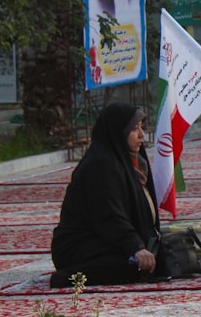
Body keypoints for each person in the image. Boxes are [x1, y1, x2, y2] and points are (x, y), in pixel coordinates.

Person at [50, 102, 160, 287]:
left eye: (142, 128)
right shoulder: (100, 166)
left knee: (160, 260)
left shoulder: (129, 163)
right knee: (130, 267)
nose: (142, 135)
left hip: (107, 239)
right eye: (135, 129)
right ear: (118, 132)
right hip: (81, 245)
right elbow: (109, 216)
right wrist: (136, 247)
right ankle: (66, 278)